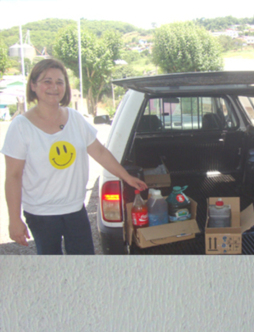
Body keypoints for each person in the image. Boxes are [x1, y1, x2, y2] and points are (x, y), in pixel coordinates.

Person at [2, 59, 146, 254]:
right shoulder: (21, 126)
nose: (54, 87)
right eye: (47, 81)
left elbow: (100, 152)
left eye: (60, 82)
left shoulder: (76, 119)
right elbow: (13, 176)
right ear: (34, 86)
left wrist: (126, 177)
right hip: (41, 214)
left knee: (83, 265)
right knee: (52, 268)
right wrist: (14, 219)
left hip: (75, 210)